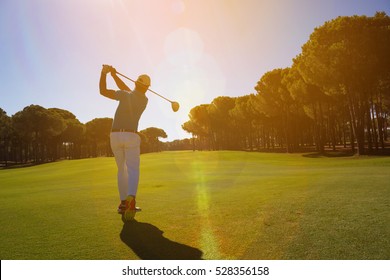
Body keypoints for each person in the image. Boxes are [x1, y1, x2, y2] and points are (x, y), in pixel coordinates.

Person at [99, 64, 149, 220]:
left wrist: (105, 73)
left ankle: (122, 203)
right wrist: (114, 75)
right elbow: (129, 90)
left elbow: (103, 91)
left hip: (115, 136)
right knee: (133, 169)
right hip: (131, 136)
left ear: (135, 83)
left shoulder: (124, 95)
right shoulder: (144, 100)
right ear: (146, 88)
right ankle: (131, 200)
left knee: (122, 169)